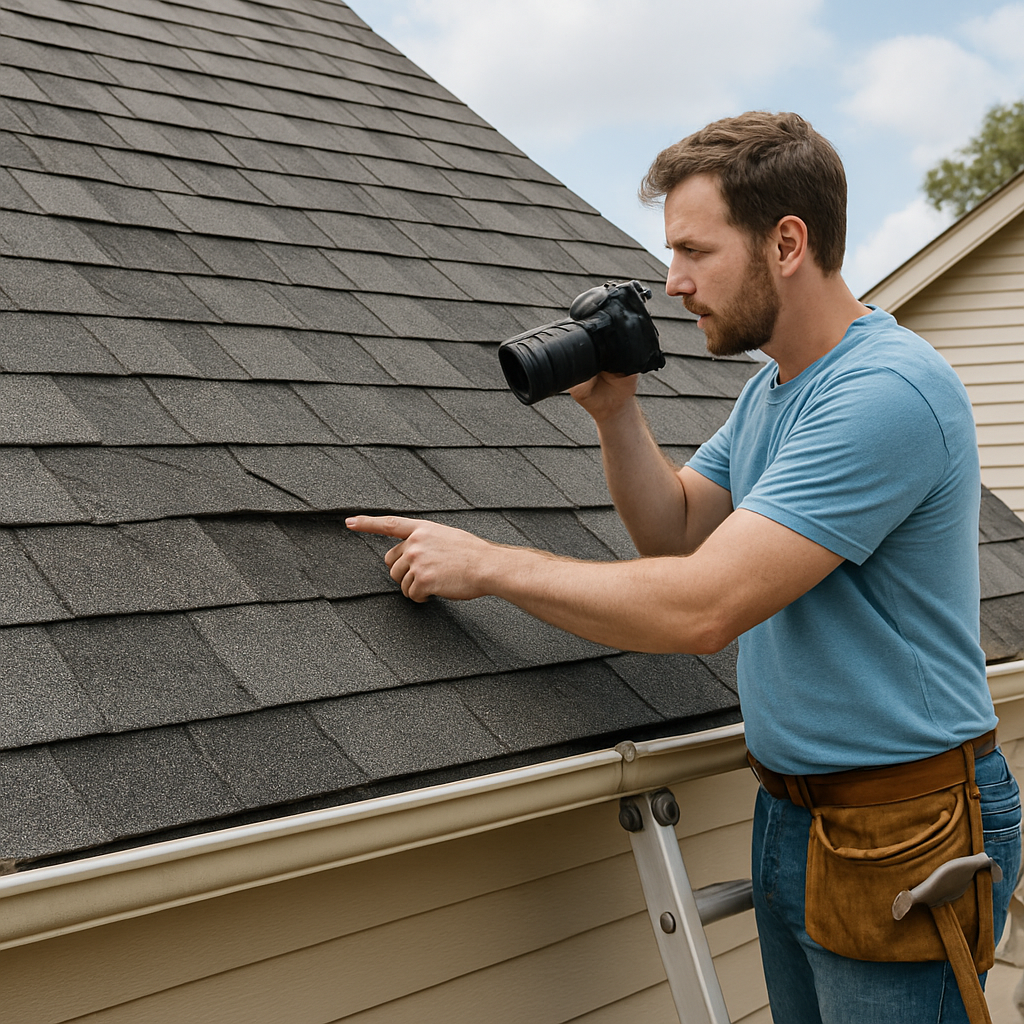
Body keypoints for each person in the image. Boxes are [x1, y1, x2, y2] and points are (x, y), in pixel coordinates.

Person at [347, 111, 1021, 1022]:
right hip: (795, 811)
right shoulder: (774, 392)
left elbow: (702, 607)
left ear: (787, 242)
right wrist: (616, 412)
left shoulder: (885, 394)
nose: (675, 283)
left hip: (903, 822)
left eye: (696, 251)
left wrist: (490, 565)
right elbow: (676, 534)